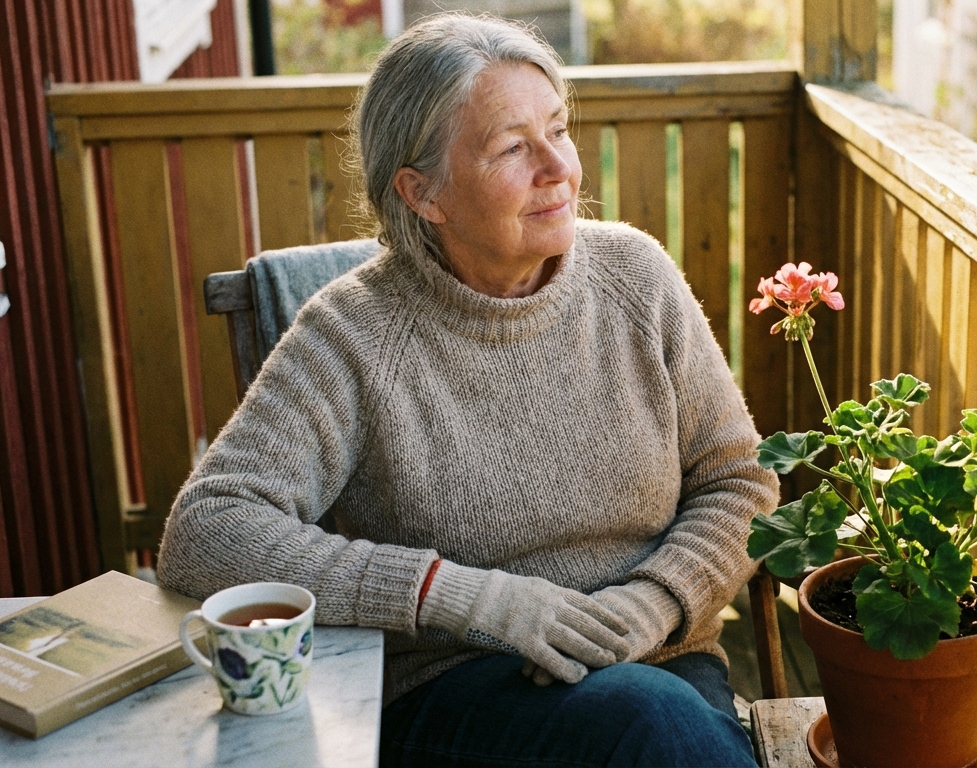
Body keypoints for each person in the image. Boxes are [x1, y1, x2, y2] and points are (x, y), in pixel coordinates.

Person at [156, 12, 777, 768]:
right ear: (424, 193)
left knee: (656, 714)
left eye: (559, 129)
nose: (559, 169)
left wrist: (652, 602)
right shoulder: (354, 334)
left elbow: (738, 478)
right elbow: (208, 529)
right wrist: (467, 599)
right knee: (649, 722)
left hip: (662, 661)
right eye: (514, 147)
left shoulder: (636, 279)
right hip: (458, 690)